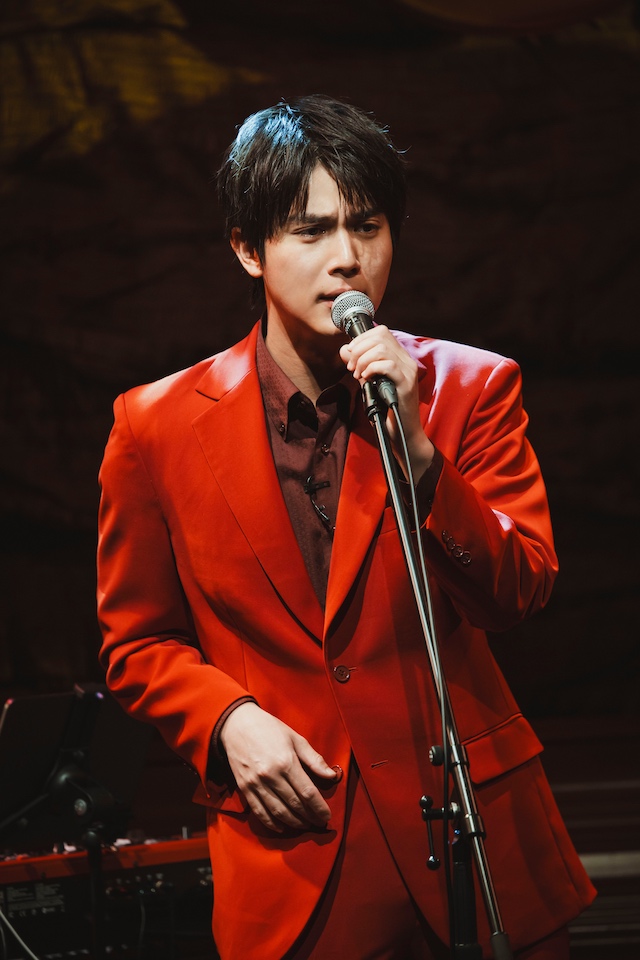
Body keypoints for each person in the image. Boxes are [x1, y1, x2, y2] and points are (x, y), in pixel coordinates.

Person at [97, 95, 595, 960]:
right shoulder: (155, 426)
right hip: (299, 857)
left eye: (367, 226)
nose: (348, 259)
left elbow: (518, 590)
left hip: (477, 841)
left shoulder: (470, 388)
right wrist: (225, 721)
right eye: (312, 231)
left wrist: (422, 455)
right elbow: (138, 643)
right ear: (248, 249)